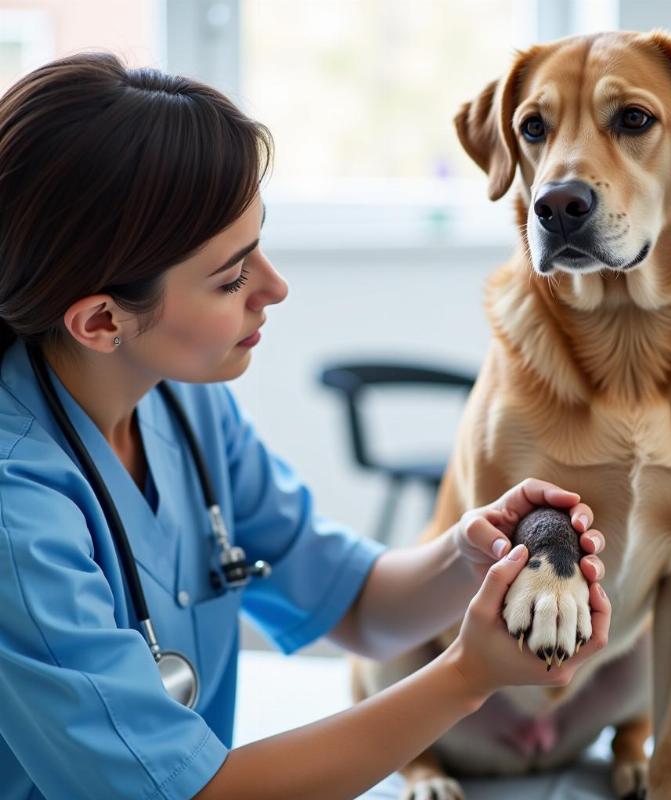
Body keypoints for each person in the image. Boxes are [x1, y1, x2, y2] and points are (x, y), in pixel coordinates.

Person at [0, 53, 611, 800]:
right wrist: (468, 675)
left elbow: (357, 605)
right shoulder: (16, 514)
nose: (275, 287)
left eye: (260, 243)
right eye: (231, 278)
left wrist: (473, 553)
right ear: (101, 321)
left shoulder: (184, 404)